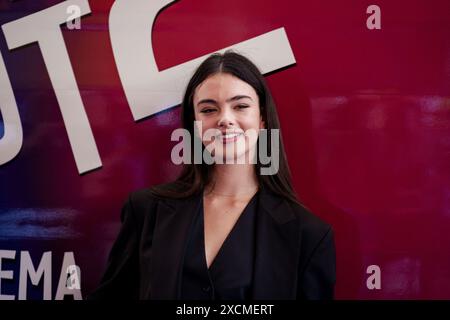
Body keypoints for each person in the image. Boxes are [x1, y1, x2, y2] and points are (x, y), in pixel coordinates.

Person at [88, 50, 336, 300]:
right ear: (194, 124)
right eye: (208, 110)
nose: (225, 119)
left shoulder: (309, 235)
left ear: (262, 120)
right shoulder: (146, 211)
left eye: (240, 106)